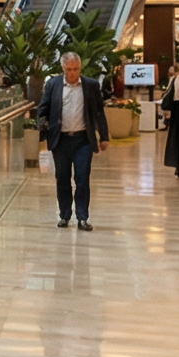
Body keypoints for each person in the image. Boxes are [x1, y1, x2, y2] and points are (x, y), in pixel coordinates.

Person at [39, 51, 110, 230]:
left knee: (82, 178)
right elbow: (43, 109)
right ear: (63, 68)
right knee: (62, 178)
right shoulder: (53, 84)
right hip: (61, 140)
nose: (72, 73)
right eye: (68, 69)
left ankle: (83, 217)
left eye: (75, 69)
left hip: (83, 140)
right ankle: (64, 215)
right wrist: (42, 127)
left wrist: (104, 136)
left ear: (80, 68)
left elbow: (99, 112)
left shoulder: (91, 85)